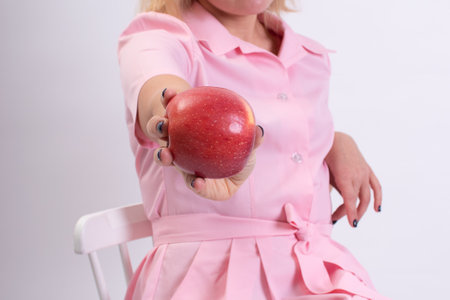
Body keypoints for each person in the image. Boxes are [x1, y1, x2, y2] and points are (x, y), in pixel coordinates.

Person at [117, 0, 389, 299]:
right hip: (208, 275)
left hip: (313, 269)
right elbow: (163, 98)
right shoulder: (159, 38)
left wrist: (332, 141)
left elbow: (284, 129)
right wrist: (181, 123)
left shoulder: (309, 57)